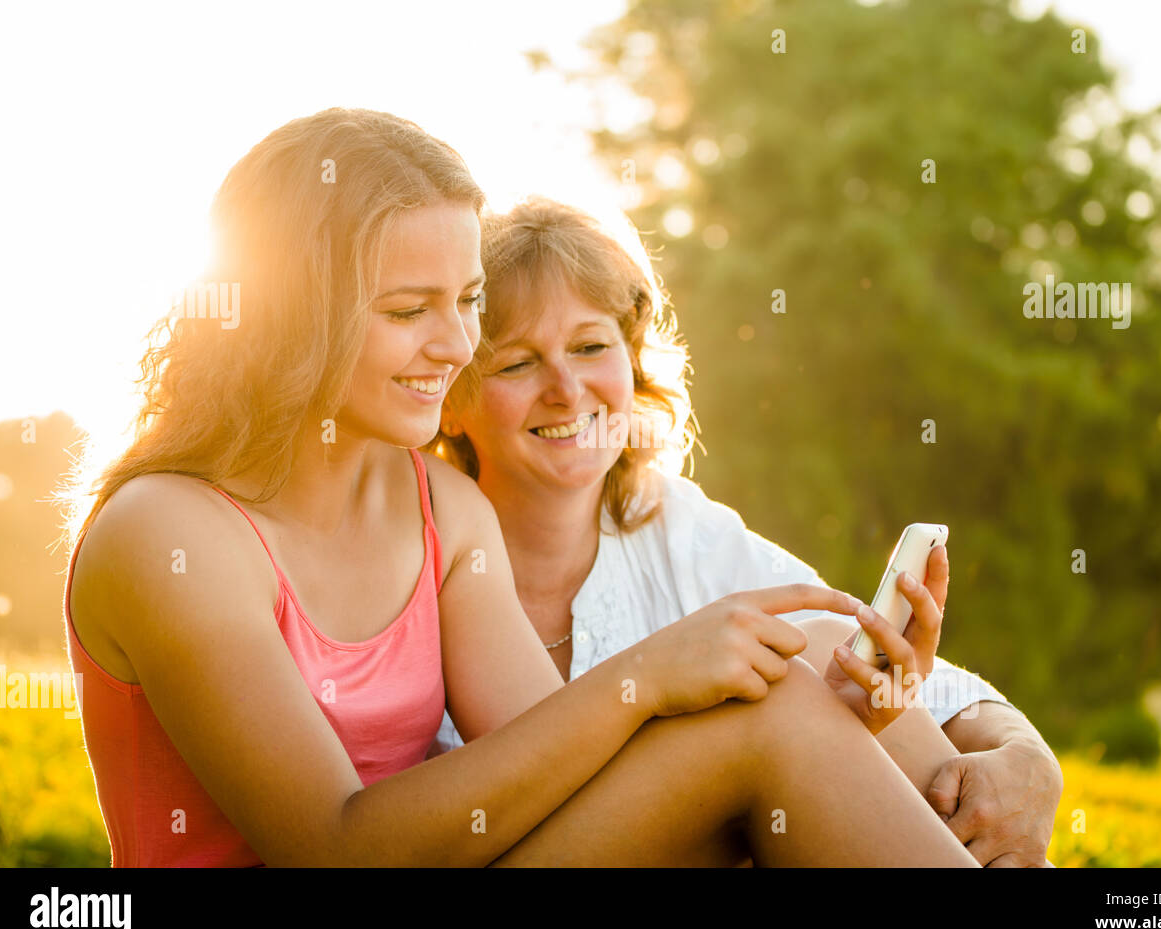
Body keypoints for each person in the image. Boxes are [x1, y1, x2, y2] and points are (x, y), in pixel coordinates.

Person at [61, 107, 980, 867]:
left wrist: (839, 723)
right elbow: (333, 846)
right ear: (292, 315)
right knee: (782, 705)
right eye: (408, 310)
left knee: (807, 667)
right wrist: (653, 675)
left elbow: (562, 774)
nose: (456, 346)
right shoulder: (170, 534)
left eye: (465, 302)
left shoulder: (441, 509)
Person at [430, 197, 1065, 866]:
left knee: (821, 647)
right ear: (451, 398)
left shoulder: (671, 523)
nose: (566, 387)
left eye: (591, 346)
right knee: (784, 698)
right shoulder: (417, 545)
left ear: (632, 363)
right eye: (517, 363)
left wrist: (1026, 754)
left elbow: (884, 665)